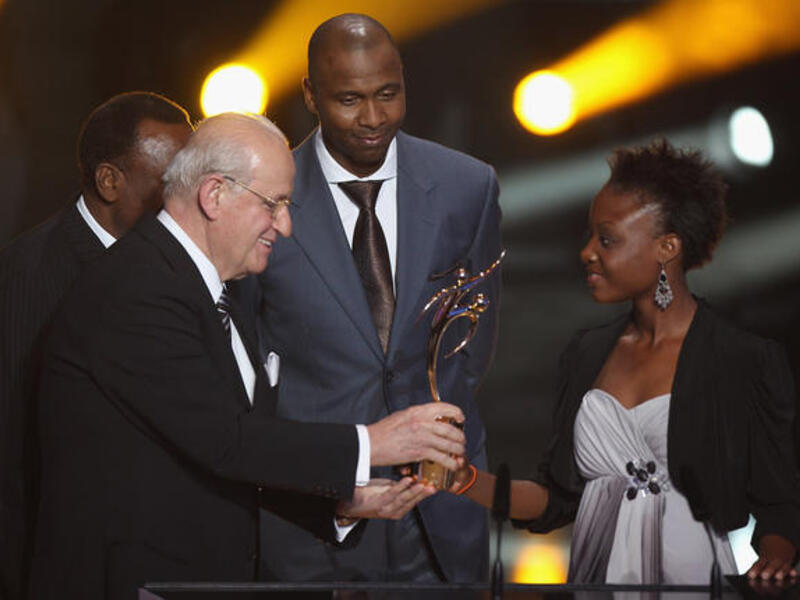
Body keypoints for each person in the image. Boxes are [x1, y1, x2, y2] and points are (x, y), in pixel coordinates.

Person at [29, 112, 467, 600]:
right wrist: (376, 444)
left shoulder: (221, 293)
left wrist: (339, 505)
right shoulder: (135, 288)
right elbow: (225, 439)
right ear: (214, 195)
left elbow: (215, 455)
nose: (285, 225)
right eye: (274, 203)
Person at [450, 139, 800, 584]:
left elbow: (780, 504)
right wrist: (464, 481)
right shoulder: (586, 353)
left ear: (667, 248)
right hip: (596, 581)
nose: (587, 251)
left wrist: (774, 561)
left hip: (692, 585)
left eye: (607, 238)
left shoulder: (742, 358)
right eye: (590, 236)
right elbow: (556, 499)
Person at [232, 13, 502, 583]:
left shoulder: (466, 185)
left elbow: (472, 348)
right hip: (315, 518)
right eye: (350, 100)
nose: (373, 118)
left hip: (440, 516)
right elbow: (247, 369)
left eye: (388, 94)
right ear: (310, 94)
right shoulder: (264, 194)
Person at [0, 91, 192, 600]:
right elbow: (15, 461)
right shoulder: (24, 280)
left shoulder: (200, 267)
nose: (193, 194)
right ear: (110, 181)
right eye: (173, 179)